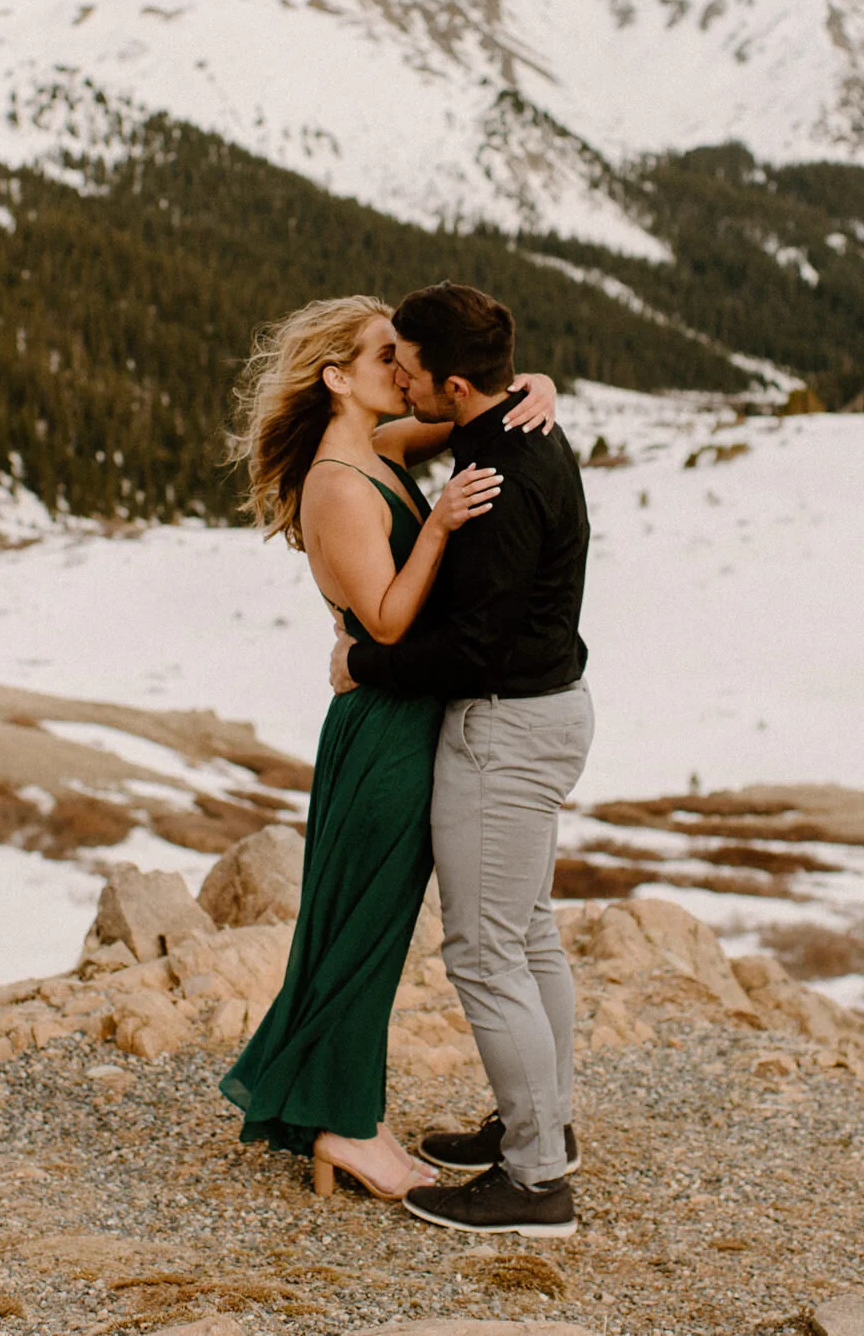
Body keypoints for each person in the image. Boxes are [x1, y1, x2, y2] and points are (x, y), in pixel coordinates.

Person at [218, 294, 559, 1201]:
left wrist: (537, 386)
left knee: (369, 925)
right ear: (338, 377)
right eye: (383, 356)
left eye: (408, 358)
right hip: (387, 729)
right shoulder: (338, 481)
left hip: (408, 722)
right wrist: (441, 525)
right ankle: (346, 1127)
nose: (401, 372)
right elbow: (388, 621)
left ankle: (340, 1114)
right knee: (363, 930)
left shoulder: (377, 447)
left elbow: (462, 407)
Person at [334, 282, 593, 1240]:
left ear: (453, 382)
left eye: (407, 364)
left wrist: (365, 661)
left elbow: (475, 649)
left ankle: (533, 1185)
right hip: (550, 712)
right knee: (527, 937)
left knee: (485, 953)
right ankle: (542, 1136)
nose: (396, 374)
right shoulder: (513, 433)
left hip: (506, 727)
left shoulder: (496, 480)